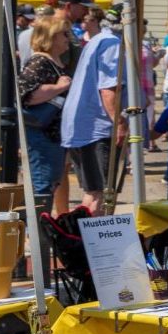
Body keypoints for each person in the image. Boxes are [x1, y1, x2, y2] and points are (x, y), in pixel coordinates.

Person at [60, 16, 123, 215]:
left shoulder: (99, 40)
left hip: (84, 125)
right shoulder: (111, 43)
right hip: (97, 127)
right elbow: (108, 89)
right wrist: (119, 123)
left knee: (93, 191)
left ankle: (84, 241)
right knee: (101, 193)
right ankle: (90, 243)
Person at [18, 18, 72, 217]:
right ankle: (38, 237)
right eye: (64, 34)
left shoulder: (51, 61)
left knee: (49, 184)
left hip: (52, 136)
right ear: (50, 37)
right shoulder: (40, 61)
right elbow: (27, 95)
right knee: (42, 186)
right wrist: (60, 87)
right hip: (41, 136)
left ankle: (40, 235)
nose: (68, 38)